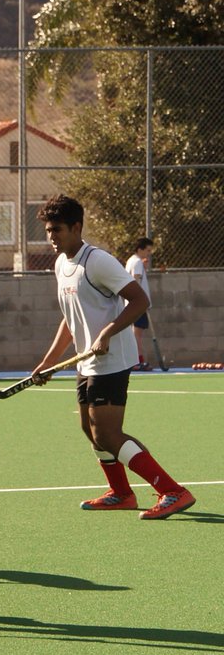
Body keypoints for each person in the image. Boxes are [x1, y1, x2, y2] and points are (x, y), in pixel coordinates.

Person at [30, 195, 194, 520]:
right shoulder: (61, 264)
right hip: (86, 360)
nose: (51, 237)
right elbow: (70, 317)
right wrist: (48, 360)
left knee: (107, 433)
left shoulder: (98, 261)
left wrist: (108, 332)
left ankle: (172, 490)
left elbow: (139, 300)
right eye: (48, 230)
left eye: (57, 230)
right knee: (89, 430)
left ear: (76, 227)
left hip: (112, 359)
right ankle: (121, 493)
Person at [125, 237, 154, 371]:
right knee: (137, 334)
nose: (149, 253)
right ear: (140, 249)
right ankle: (137, 361)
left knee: (135, 333)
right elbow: (136, 282)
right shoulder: (136, 263)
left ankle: (135, 361)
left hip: (134, 304)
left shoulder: (132, 261)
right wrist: (139, 302)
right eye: (147, 250)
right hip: (138, 304)